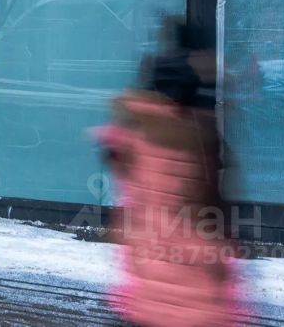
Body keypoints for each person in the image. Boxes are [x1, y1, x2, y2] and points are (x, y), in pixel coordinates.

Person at [96, 17, 245, 327]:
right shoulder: (199, 143)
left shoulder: (131, 140)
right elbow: (214, 227)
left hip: (143, 291)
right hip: (194, 302)